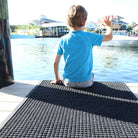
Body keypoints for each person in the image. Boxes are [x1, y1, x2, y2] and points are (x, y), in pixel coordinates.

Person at [51, 5, 113, 88]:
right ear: (84, 22)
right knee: (92, 75)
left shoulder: (63, 40)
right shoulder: (89, 37)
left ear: (67, 23)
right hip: (86, 83)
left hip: (68, 82)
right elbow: (109, 37)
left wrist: (57, 78)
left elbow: (55, 62)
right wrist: (108, 27)